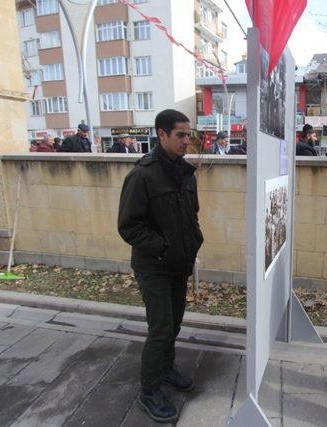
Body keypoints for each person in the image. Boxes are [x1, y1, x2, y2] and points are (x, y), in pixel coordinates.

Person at [117, 109, 203, 423]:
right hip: (154, 266)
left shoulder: (186, 172)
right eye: (180, 135)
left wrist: (192, 241)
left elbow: (191, 213)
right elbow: (128, 226)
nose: (186, 140)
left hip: (179, 263)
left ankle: (165, 369)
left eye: (188, 134)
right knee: (161, 328)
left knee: (175, 323)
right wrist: (164, 247)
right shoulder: (142, 175)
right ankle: (149, 391)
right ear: (162, 134)